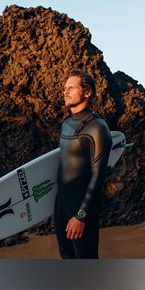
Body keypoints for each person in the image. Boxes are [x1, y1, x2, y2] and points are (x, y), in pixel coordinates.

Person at [55, 69, 112, 259]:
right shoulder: (67, 123)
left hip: (82, 206)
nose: (65, 91)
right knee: (66, 256)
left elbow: (98, 176)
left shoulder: (97, 128)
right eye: (64, 88)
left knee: (85, 260)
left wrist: (81, 215)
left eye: (71, 88)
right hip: (61, 203)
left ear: (87, 92)